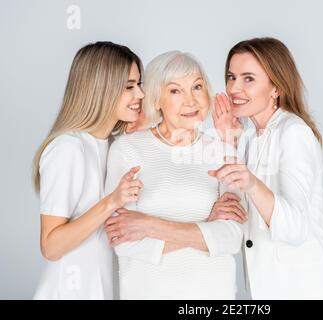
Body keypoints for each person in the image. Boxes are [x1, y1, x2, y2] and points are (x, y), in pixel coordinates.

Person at [210, 37, 323, 299]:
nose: (234, 88)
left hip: (310, 286)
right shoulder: (245, 135)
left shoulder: (294, 133)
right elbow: (235, 210)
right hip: (269, 288)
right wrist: (228, 142)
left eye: (248, 79)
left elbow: (295, 227)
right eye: (231, 77)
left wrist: (252, 183)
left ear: (275, 87)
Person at [104, 51, 245, 299]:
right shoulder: (127, 150)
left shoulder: (222, 150)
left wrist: (148, 225)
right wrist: (208, 227)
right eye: (175, 91)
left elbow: (232, 237)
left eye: (197, 87)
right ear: (156, 99)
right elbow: (123, 240)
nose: (191, 101)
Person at [32, 41, 145, 299]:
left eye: (139, 84)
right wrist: (111, 202)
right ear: (101, 89)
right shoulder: (67, 148)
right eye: (129, 86)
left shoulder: (114, 146)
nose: (139, 95)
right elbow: (51, 246)